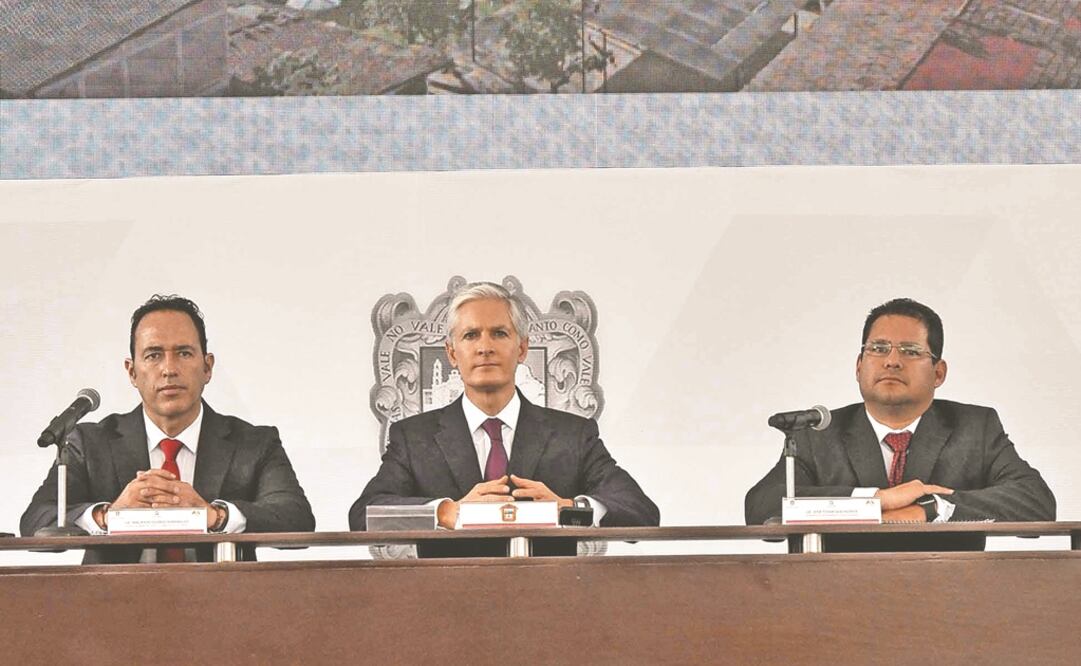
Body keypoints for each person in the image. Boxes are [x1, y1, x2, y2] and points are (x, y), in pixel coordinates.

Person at [349, 282, 659, 545]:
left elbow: (641, 512)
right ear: (452, 353)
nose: (485, 347)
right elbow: (364, 515)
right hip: (446, 605)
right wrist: (446, 512)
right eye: (471, 335)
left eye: (499, 333)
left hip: (552, 606)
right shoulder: (414, 437)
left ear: (522, 348)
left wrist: (567, 510)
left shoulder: (573, 435)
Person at [21, 295, 315, 562]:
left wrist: (214, 517)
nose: (169, 368)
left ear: (207, 367)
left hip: (223, 608)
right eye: (153, 355)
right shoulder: (89, 442)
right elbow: (36, 519)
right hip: (113, 609)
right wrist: (108, 517)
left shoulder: (253, 443)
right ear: (132, 372)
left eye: (184, 353)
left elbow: (296, 518)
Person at [745, 298, 1055, 551]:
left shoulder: (974, 428)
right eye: (878, 349)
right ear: (858, 366)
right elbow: (761, 506)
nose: (891, 361)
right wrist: (875, 500)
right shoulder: (818, 434)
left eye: (910, 351)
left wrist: (932, 510)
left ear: (938, 373)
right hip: (836, 603)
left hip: (951, 603)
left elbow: (1036, 501)